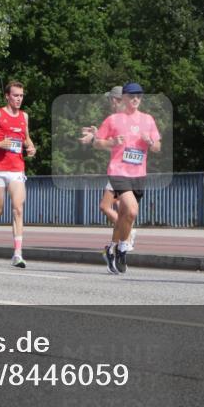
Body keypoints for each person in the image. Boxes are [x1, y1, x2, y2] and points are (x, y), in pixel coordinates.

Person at [93, 83, 161, 274]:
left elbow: (157, 147)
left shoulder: (148, 120)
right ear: (123, 98)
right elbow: (98, 142)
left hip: (138, 174)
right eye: (132, 96)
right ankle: (123, 248)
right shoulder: (113, 120)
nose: (135, 99)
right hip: (118, 171)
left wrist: (151, 142)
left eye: (139, 96)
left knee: (125, 216)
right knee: (132, 210)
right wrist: (111, 142)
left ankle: (111, 249)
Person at [0, 81, 36, 269]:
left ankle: (17, 253)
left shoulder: (24, 116)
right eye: (15, 95)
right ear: (7, 96)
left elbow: (26, 137)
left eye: (21, 95)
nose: (19, 99)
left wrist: (31, 146)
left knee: (18, 208)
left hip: (17, 168)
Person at [79, 86, 125, 235]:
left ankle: (127, 232)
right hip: (129, 170)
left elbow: (113, 145)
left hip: (120, 171)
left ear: (114, 100)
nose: (109, 103)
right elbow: (114, 146)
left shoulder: (118, 119)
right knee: (119, 204)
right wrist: (97, 134)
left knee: (105, 206)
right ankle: (121, 241)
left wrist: (93, 138)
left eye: (109, 100)